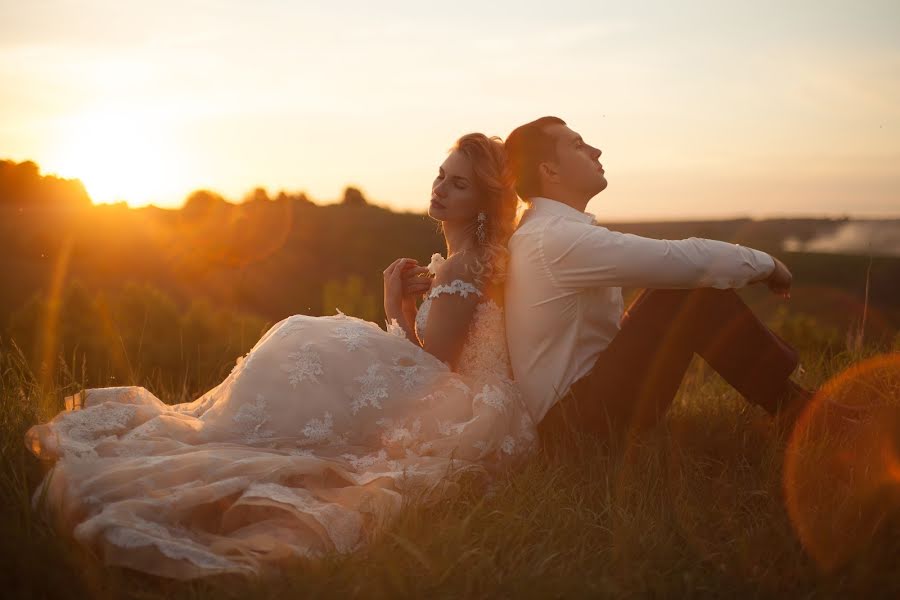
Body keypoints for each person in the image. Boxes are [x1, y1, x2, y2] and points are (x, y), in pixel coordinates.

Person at [24, 133, 536, 580]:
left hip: (458, 408)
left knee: (304, 341)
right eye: (442, 175)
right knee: (305, 344)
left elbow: (435, 372)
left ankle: (234, 432)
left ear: (485, 203)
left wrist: (393, 305)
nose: (441, 188)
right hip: (459, 390)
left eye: (459, 184)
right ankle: (237, 427)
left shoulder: (460, 270)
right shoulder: (462, 263)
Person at [503, 116, 810, 442]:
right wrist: (769, 264)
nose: (596, 151)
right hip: (576, 426)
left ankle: (795, 406)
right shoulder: (553, 238)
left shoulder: (543, 234)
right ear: (549, 171)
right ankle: (798, 410)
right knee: (686, 294)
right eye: (578, 145)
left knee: (673, 293)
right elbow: (682, 259)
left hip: (577, 413)